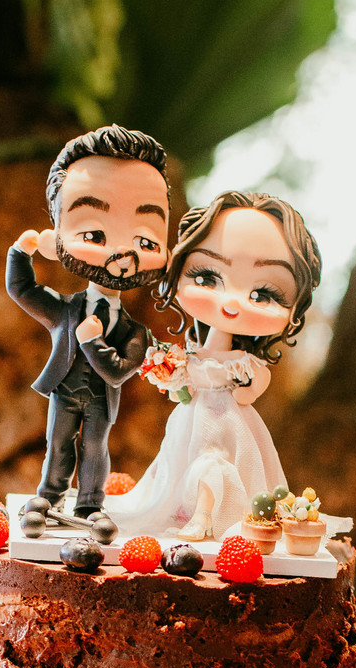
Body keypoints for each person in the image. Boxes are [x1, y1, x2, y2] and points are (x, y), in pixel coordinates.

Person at [109, 189, 321, 543]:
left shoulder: (242, 362)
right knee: (177, 467)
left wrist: (243, 383)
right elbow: (181, 394)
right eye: (207, 276)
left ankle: (206, 517)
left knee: (214, 465)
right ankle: (183, 512)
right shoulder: (191, 355)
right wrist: (169, 374)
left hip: (228, 429)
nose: (232, 302)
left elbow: (248, 394)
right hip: (190, 425)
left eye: (262, 294)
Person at [7, 125, 170, 538]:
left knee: (94, 448)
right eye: (95, 234)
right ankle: (49, 496)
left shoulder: (136, 333)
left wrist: (92, 341)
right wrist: (20, 254)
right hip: (64, 390)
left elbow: (117, 372)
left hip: (100, 398)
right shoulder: (65, 309)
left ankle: (91, 503)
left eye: (145, 240)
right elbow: (22, 289)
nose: (121, 252)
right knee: (58, 443)